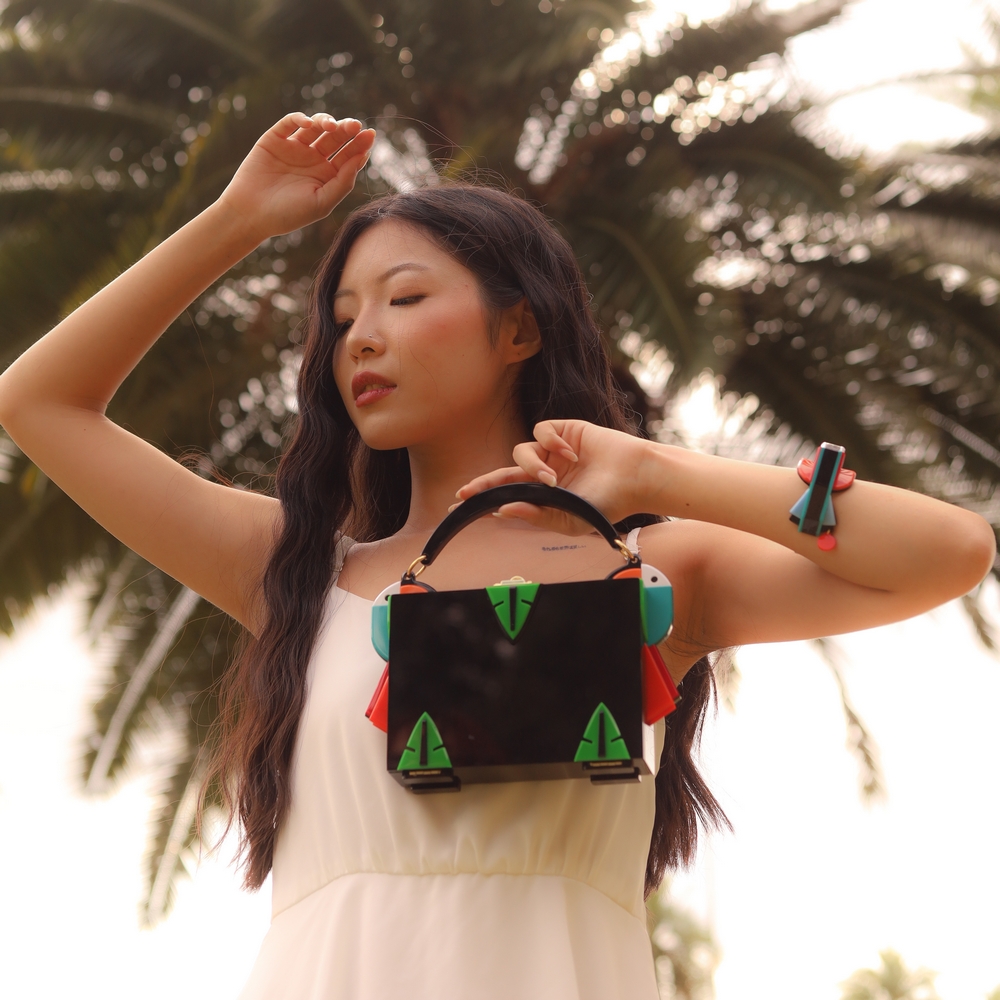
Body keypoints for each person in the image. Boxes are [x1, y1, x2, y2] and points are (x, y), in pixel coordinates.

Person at [0, 113, 993, 999]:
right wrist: (235, 222)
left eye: (403, 298)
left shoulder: (651, 573)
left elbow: (948, 550)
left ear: (519, 327)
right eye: (342, 318)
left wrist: (657, 473)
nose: (361, 339)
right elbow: (39, 403)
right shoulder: (301, 575)